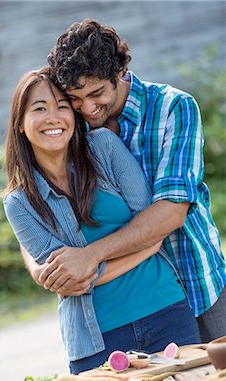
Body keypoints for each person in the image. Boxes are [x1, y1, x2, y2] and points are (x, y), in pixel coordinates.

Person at [21, 19, 226, 343]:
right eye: (75, 97)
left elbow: (172, 210)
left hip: (197, 281)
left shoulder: (172, 107)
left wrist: (91, 255)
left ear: (119, 71)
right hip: (132, 302)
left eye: (97, 93)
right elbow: (33, 205)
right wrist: (43, 270)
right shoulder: (70, 125)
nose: (87, 108)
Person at [3, 68, 201, 374]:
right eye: (39, 109)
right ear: (19, 124)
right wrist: (145, 247)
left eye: (62, 106)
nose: (53, 117)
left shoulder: (104, 147)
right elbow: (67, 280)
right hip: (95, 339)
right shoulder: (18, 204)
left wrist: (89, 260)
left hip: (164, 310)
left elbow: (154, 224)